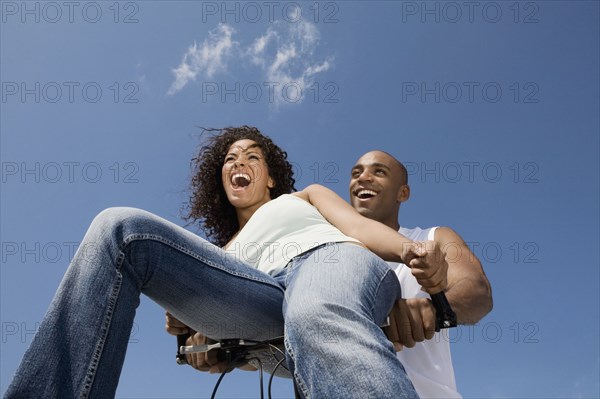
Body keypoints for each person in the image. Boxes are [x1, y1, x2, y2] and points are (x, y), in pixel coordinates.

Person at [6, 126, 446, 398]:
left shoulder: (303, 197)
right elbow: (214, 337)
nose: (240, 162)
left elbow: (356, 227)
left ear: (269, 176)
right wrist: (193, 335)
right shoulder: (222, 255)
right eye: (231, 159)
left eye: (252, 157)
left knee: (314, 311)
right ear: (221, 180)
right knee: (118, 228)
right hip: (260, 295)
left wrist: (408, 251)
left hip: (327, 263)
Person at [350, 150, 493, 398]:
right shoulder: (331, 253)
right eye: (356, 173)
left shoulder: (433, 237)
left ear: (402, 193)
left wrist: (434, 310)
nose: (363, 177)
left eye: (379, 172)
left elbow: (477, 292)